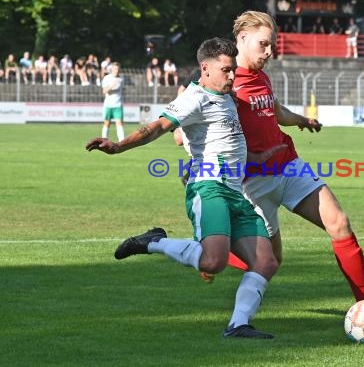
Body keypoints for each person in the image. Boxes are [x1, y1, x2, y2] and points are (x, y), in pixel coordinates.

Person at [85, 37, 278, 339]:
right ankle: (153, 241)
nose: (232, 76)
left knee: (266, 261)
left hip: (235, 192)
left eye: (233, 70)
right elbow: (157, 127)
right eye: (226, 70)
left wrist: (256, 157)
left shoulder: (227, 96)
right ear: (206, 68)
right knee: (213, 262)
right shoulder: (194, 98)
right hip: (209, 187)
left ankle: (239, 324)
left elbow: (225, 140)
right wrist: (118, 146)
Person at [229, 11, 364, 314]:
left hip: (288, 165)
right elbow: (189, 126)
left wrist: (301, 120)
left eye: (272, 45)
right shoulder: (224, 80)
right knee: (271, 261)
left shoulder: (261, 75)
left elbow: (275, 110)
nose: (269, 52)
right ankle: (210, 252)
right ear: (242, 38)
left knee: (339, 222)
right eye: (264, 44)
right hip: (253, 182)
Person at [100, 62, 125, 141]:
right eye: (114, 69)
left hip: (118, 105)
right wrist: (111, 86)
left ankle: (122, 142)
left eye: (117, 69)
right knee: (107, 123)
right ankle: (104, 140)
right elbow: (104, 91)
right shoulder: (107, 78)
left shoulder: (121, 79)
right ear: (111, 69)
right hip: (108, 105)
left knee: (119, 123)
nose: (116, 70)